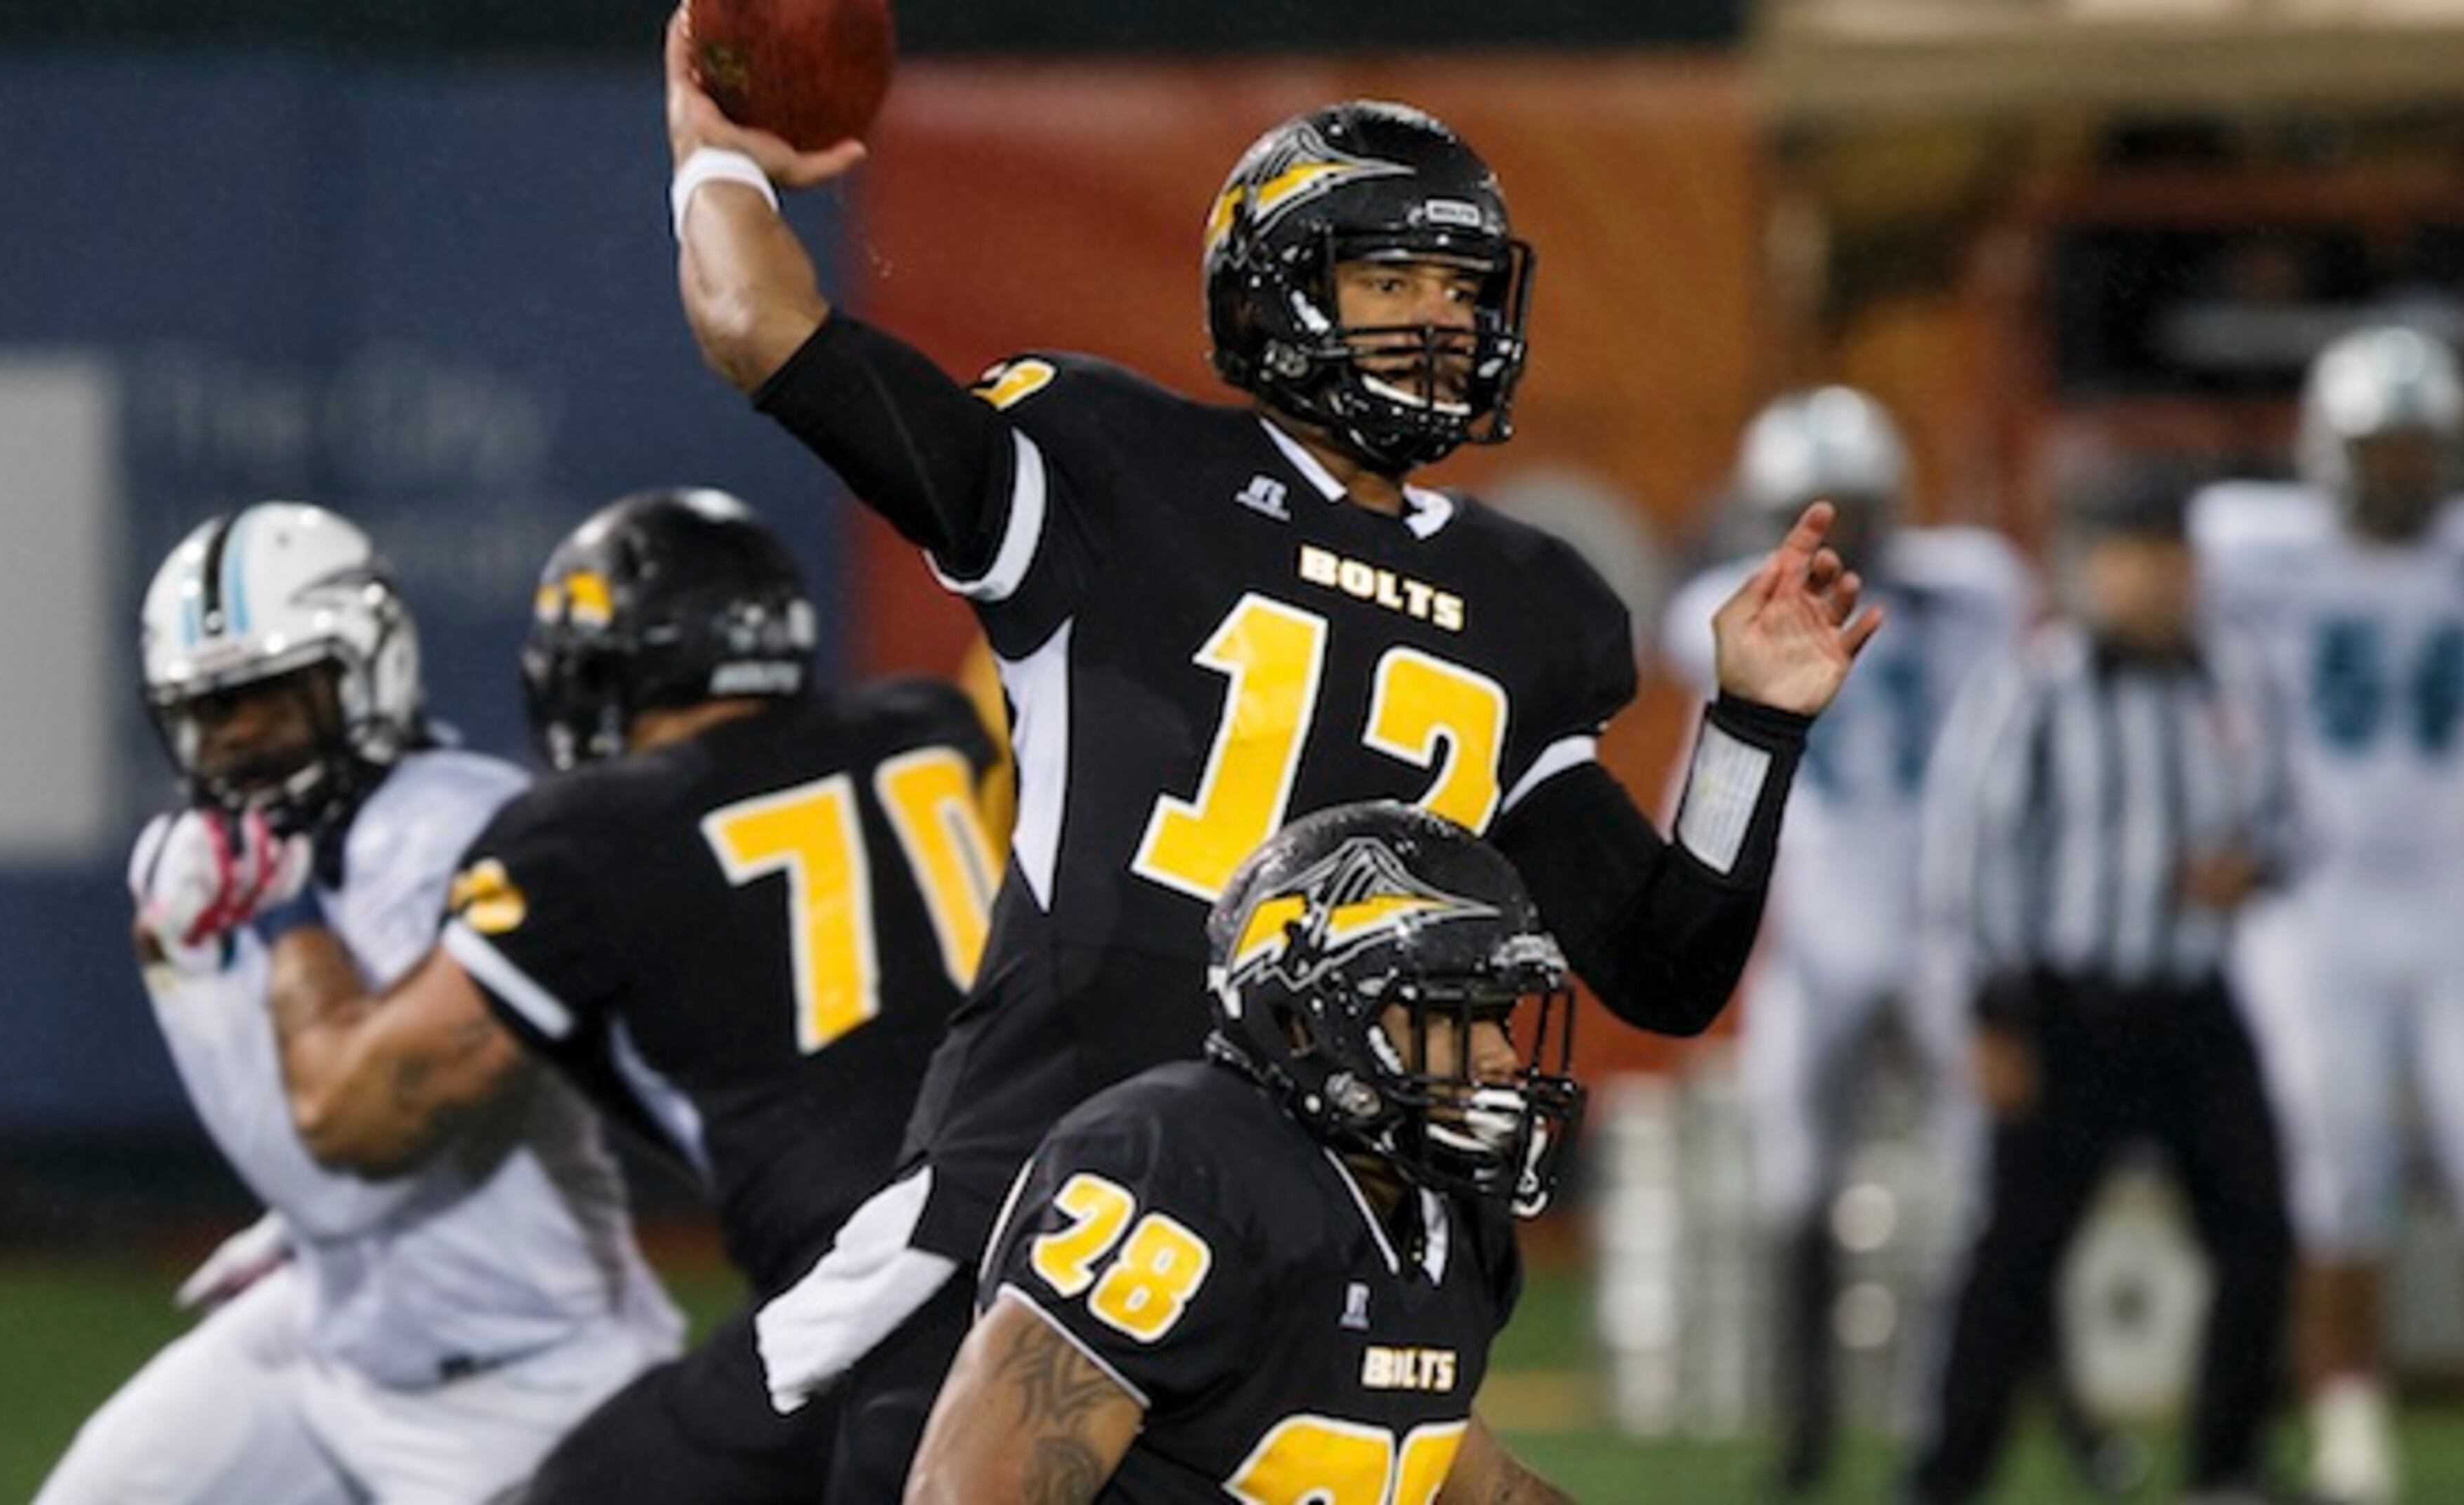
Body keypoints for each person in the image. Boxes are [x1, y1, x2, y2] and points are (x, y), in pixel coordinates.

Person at [661, 15, 1880, 1491]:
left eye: (1462, 285)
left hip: (1329, 1228)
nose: (1438, 320)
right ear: (1276, 289)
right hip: (1046, 1189)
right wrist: (716, 161)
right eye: (1389, 279)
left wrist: (1753, 726)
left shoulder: (1531, 604)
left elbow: (1666, 968)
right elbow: (765, 332)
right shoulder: (1109, 464)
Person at [232, 488, 1003, 1503]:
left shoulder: (588, 832)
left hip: (873, 1303)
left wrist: (286, 910)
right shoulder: (932, 724)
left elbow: (359, 1113)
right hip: (1079, 1238)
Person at [40, 502, 681, 1504]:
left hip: (535, 1380)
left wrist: (260, 940)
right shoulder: (191, 862)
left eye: (271, 698)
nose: (238, 740)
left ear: (364, 672)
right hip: (329, 1341)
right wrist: (297, 1233)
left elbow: (354, 1175)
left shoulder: (462, 831)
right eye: (209, 712)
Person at [906, 801, 1580, 1504]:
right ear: (1306, 1021)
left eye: (1499, 1016)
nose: (1500, 1056)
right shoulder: (1182, 1172)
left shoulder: (1441, 1220)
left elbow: (1434, 1462)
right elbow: (968, 1493)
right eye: (1450, 1016)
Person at [2196, 325, 2464, 1503]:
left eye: (2421, 447)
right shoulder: (2251, 543)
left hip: (2457, 888)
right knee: (2336, 1160)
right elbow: (2158, 637)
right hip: (2318, 897)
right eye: (2380, 447)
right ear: (2327, 449)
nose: (2402, 470)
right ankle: (2353, 1442)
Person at [1657, 387, 2033, 1496]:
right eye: (1817, 508)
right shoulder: (1725, 615)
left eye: (1858, 504)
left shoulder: (1973, 591)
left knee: (1987, 1187)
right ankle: (1810, 1429)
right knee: (1795, 1181)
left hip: (1946, 924)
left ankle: (1961, 1419)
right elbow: (1708, 776)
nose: (1845, 528)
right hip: (1818, 928)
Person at [1905, 463, 2293, 1504]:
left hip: (2194, 999)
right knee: (2017, 1254)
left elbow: (2293, 819)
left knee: (2259, 1228)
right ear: (2089, 570)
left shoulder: (2236, 678)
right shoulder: (2034, 683)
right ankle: (1945, 1478)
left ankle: (2227, 1467)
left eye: (2171, 557)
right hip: (2066, 1005)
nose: (2157, 581)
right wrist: (1993, 1013)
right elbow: (1970, 852)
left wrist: (2252, 866)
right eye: (2133, 558)